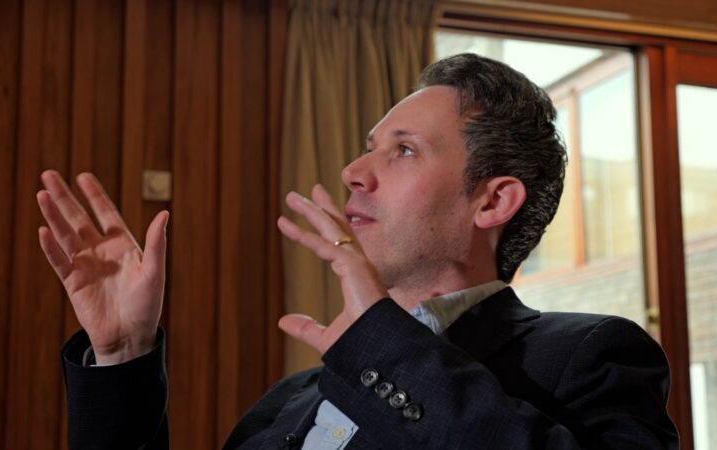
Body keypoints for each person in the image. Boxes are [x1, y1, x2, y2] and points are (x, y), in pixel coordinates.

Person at [37, 53, 679, 449]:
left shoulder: (589, 358)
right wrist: (123, 357)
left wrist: (379, 344)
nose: (352, 171)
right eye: (369, 148)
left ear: (492, 201)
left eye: (404, 150)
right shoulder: (290, 399)